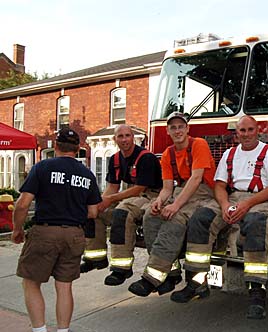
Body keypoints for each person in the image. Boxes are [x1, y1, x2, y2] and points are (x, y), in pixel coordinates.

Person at [171, 115, 268, 320]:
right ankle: (196, 282)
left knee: (255, 225)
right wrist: (224, 205)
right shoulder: (229, 154)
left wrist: (247, 204)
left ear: (257, 131)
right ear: (237, 133)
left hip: (263, 201)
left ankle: (257, 292)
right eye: (242, 131)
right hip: (232, 198)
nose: (246, 134)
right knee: (201, 218)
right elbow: (220, 185)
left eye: (250, 130)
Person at [11, 128, 101, 332]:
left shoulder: (42, 167)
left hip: (45, 232)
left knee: (31, 282)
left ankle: (39, 329)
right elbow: (94, 211)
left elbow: (23, 204)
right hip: (75, 234)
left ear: (57, 146)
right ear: (77, 149)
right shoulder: (87, 174)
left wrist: (17, 229)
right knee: (64, 286)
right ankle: (63, 330)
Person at [128, 112, 216, 297]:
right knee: (150, 216)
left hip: (204, 193)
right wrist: (159, 202)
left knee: (174, 218)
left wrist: (175, 206)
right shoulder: (168, 153)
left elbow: (196, 178)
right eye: (173, 127)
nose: (178, 131)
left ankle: (152, 277)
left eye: (181, 126)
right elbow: (167, 188)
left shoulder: (199, 144)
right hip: (182, 191)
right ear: (168, 131)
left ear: (187, 129)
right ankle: (171, 274)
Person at [79, 124, 163, 286]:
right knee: (92, 211)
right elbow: (112, 186)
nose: (124, 139)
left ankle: (121, 268)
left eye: (127, 136)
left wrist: (111, 200)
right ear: (115, 139)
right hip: (128, 194)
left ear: (133, 138)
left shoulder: (146, 158)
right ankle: (95, 258)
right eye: (120, 136)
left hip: (150, 195)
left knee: (121, 212)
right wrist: (99, 203)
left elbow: (139, 188)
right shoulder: (116, 159)